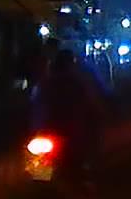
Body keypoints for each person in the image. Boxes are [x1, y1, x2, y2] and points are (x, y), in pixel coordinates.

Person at [34, 49, 107, 180]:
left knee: (42, 170)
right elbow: (91, 104)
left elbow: (36, 107)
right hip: (69, 132)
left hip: (49, 131)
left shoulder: (45, 84)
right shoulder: (76, 82)